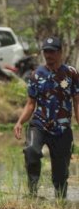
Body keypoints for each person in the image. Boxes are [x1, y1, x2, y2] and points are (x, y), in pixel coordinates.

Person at [13, 37, 79, 199]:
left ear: (60, 52)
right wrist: (20, 121)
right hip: (39, 124)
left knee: (61, 172)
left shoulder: (70, 74)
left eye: (52, 52)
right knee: (31, 150)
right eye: (46, 52)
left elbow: (77, 101)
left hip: (62, 128)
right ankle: (33, 192)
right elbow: (30, 104)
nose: (49, 55)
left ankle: (60, 202)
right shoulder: (36, 75)